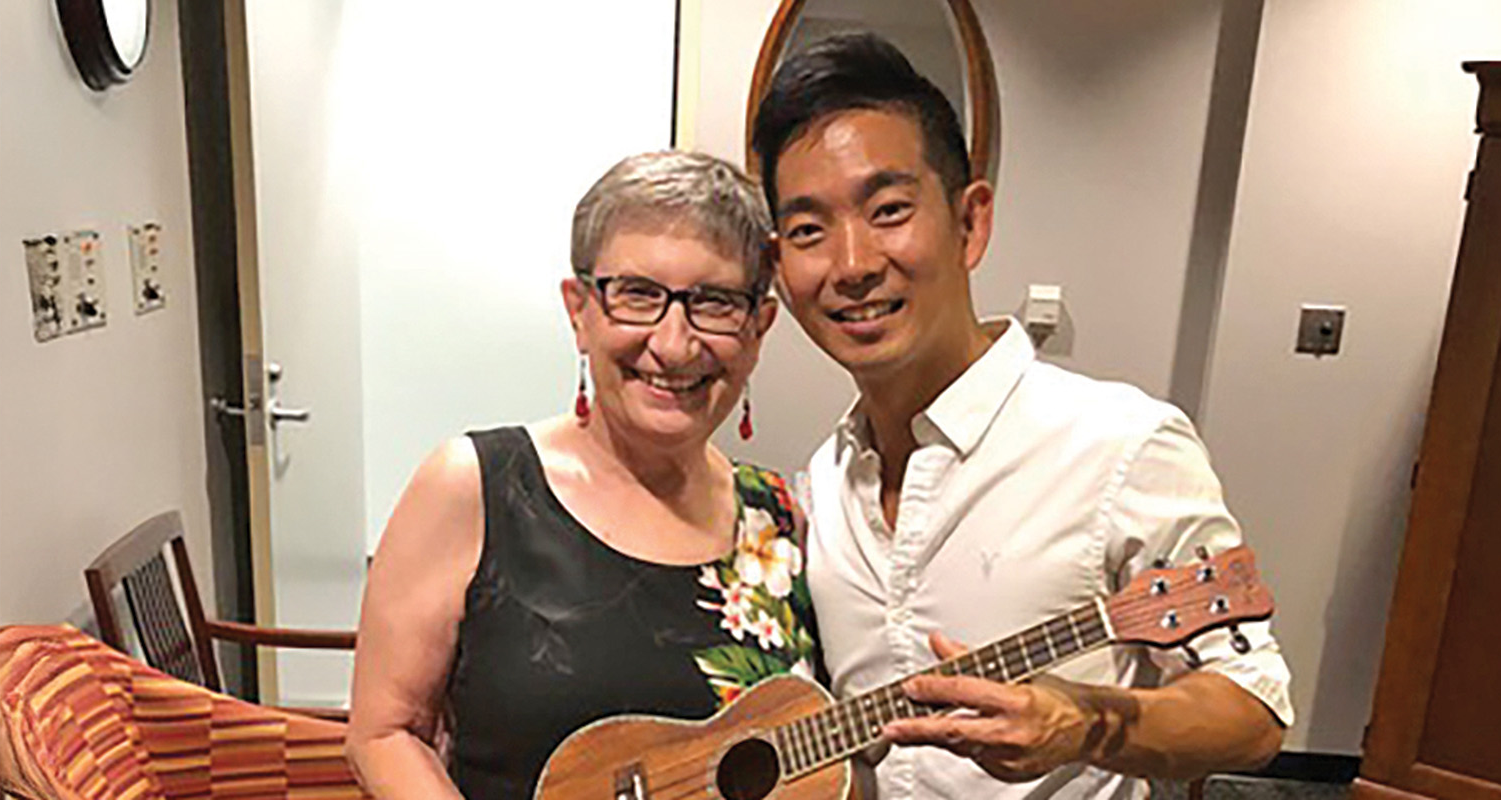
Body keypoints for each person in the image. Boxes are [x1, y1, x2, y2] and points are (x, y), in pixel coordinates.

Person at [752, 33, 1293, 800]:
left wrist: (1082, 723)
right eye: (809, 230)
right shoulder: (822, 484)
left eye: (889, 210)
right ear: (781, 267)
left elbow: (1255, 712)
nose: (852, 264)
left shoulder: (1121, 444)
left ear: (970, 222)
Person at [345, 151, 819, 799]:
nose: (674, 344)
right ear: (580, 310)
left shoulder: (784, 520)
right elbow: (384, 734)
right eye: (638, 296)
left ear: (758, 328)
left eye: (714, 303)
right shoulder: (476, 487)